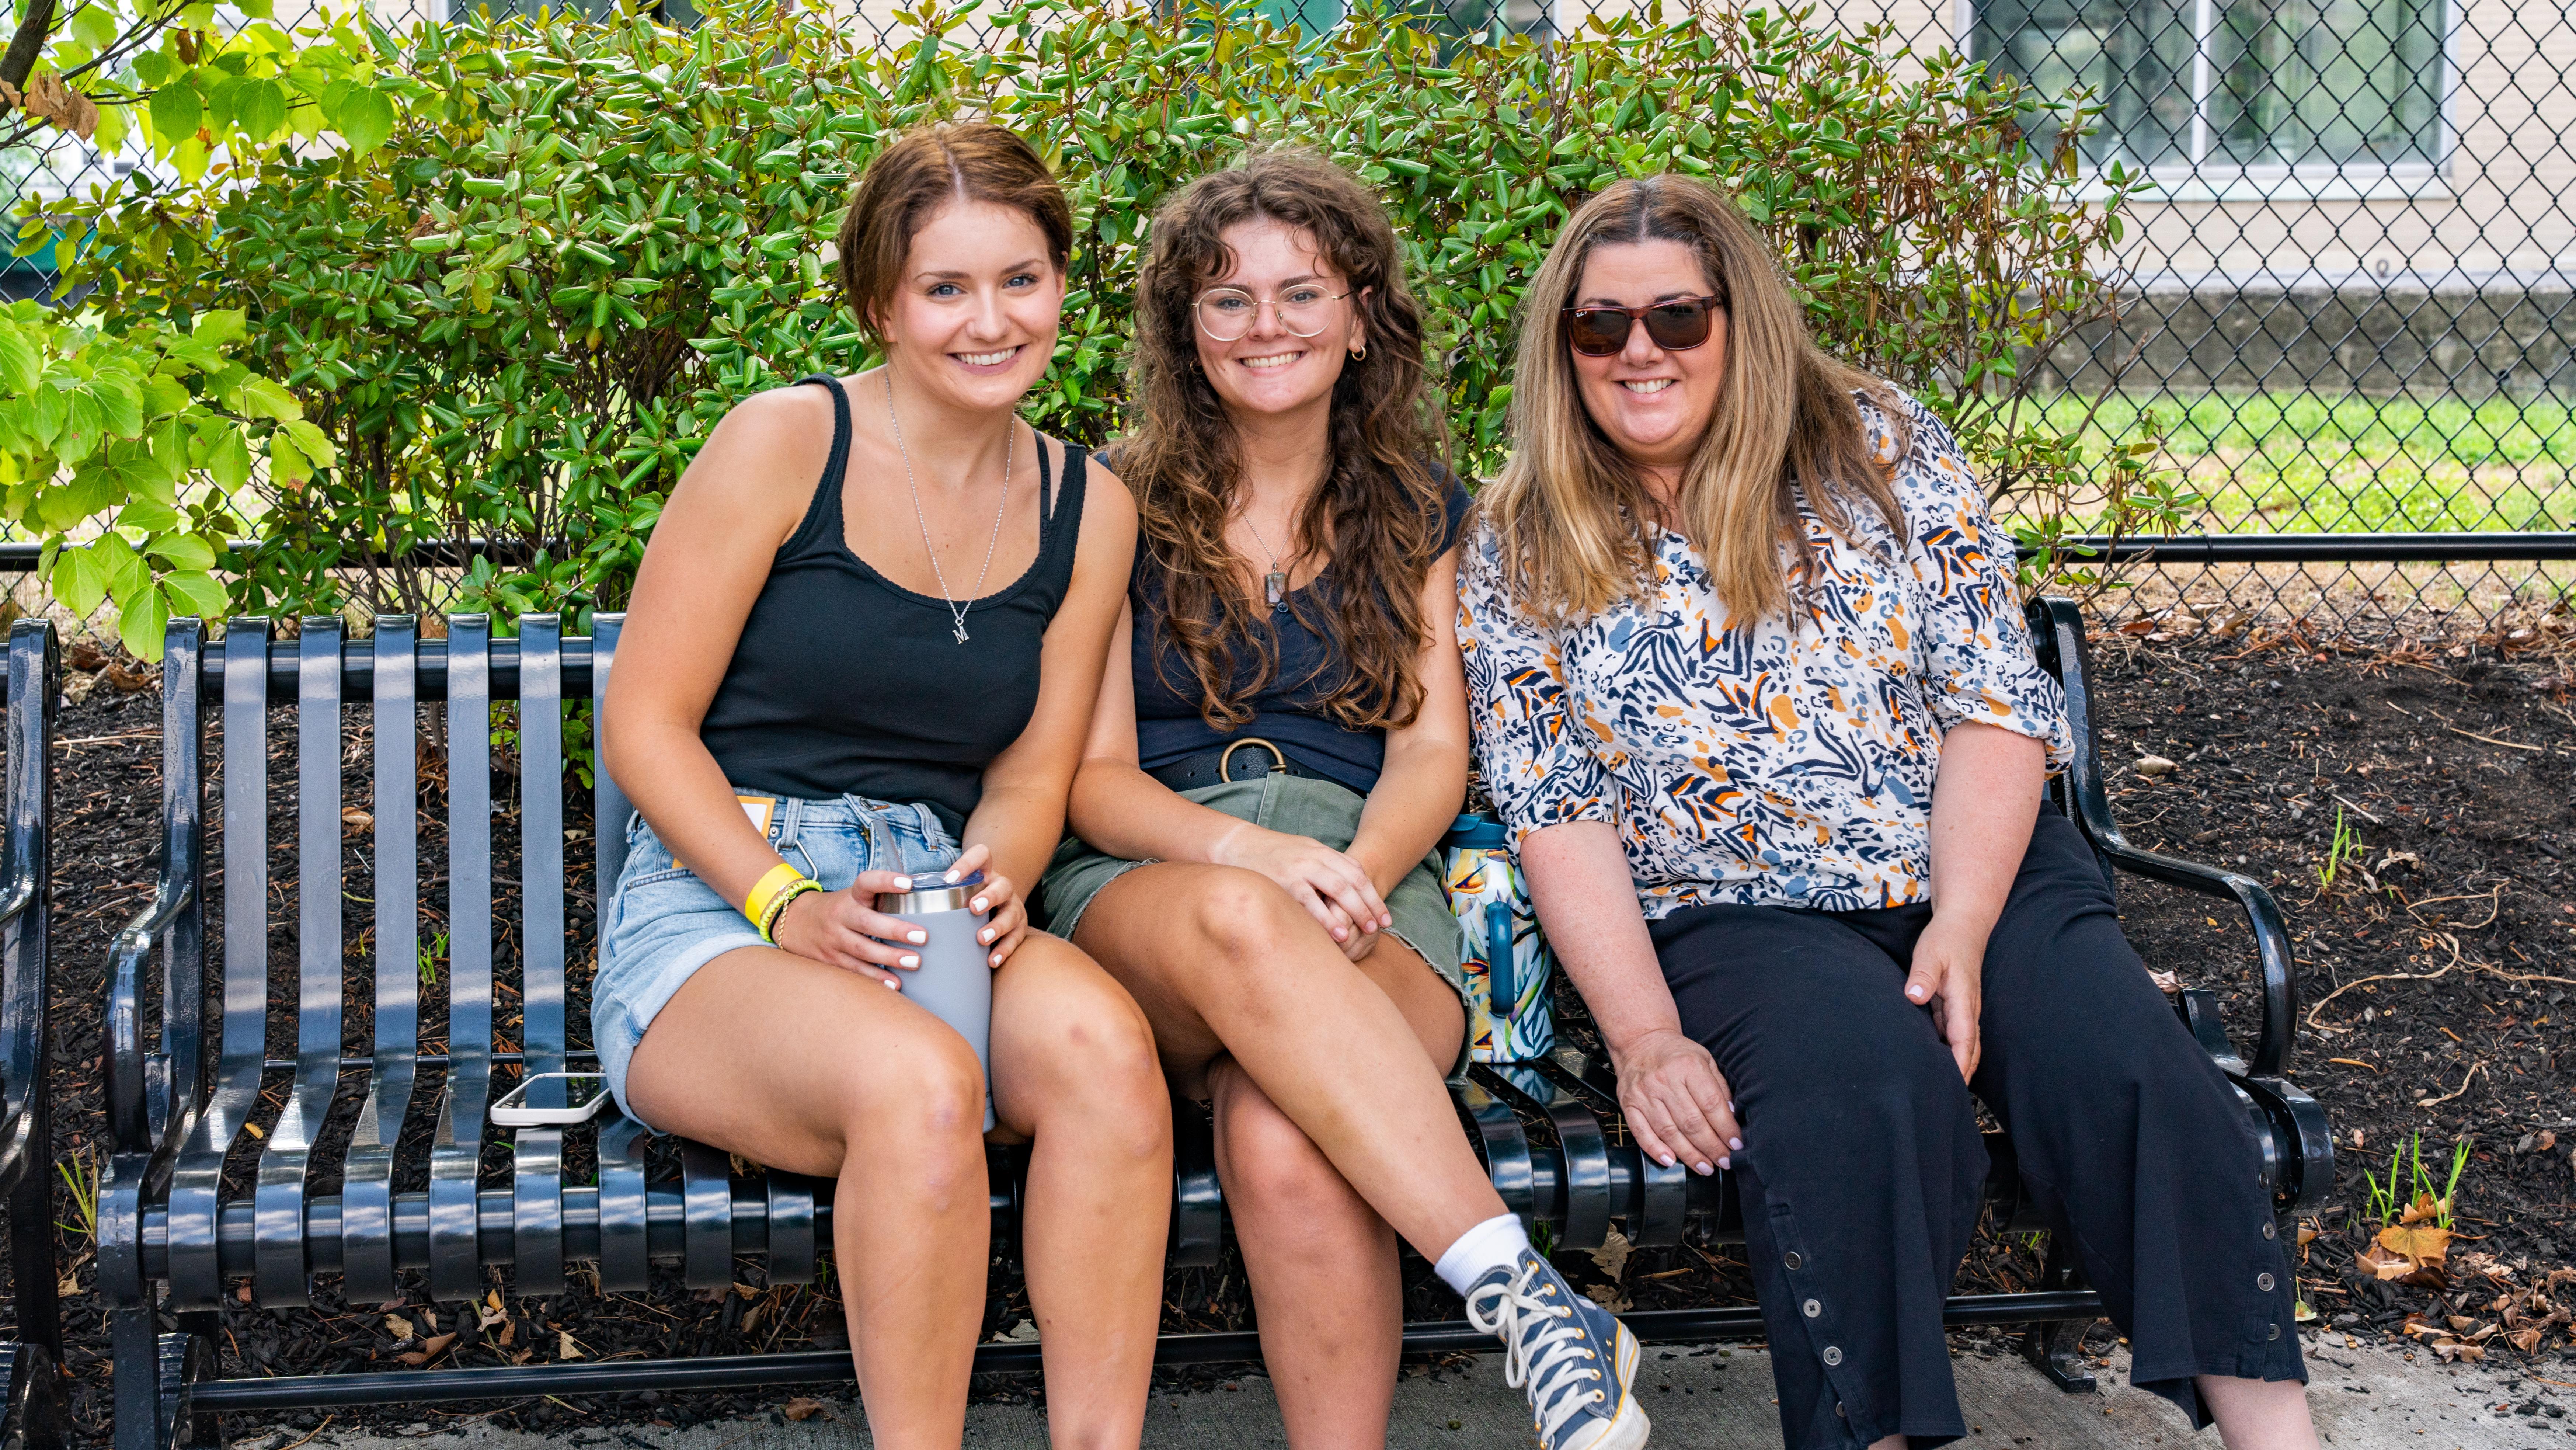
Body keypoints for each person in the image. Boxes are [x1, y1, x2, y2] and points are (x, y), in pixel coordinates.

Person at [1459, 173, 2322, 1450]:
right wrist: (1642, 1036)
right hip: (1733, 913)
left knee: (2128, 1068)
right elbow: (1558, 808)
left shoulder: (1879, 446)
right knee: (1858, 1097)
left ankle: (2278, 1440)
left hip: (1974, 863)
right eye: (1600, 327)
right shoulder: (1523, 536)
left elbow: (1989, 701)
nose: (1637, 352)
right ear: (1565, 346)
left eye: (1677, 319)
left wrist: (1963, 927)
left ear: (1740, 322)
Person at [1035, 150, 1651, 1450]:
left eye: (1301, 293)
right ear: (1181, 329)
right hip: (1154, 877)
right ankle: (1522, 1292)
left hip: (1371, 883)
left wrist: (1362, 867)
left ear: (1361, 314)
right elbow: (1089, 781)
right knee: (1244, 925)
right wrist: (1250, 861)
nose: (1267, 327)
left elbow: (1432, 754)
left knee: (1281, 1134)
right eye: (1228, 300)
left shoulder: (1425, 508)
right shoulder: (1116, 504)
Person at [596, 122, 1170, 1450]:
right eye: (946, 288)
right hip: (724, 892)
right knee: (914, 1087)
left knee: (1103, 1055)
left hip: (936, 878)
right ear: (881, 304)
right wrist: (786, 901)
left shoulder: (1091, 505)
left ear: (1062, 289)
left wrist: (1001, 876)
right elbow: (644, 723)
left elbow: (1035, 764)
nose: (991, 321)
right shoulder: (786, 442)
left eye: (1021, 280)